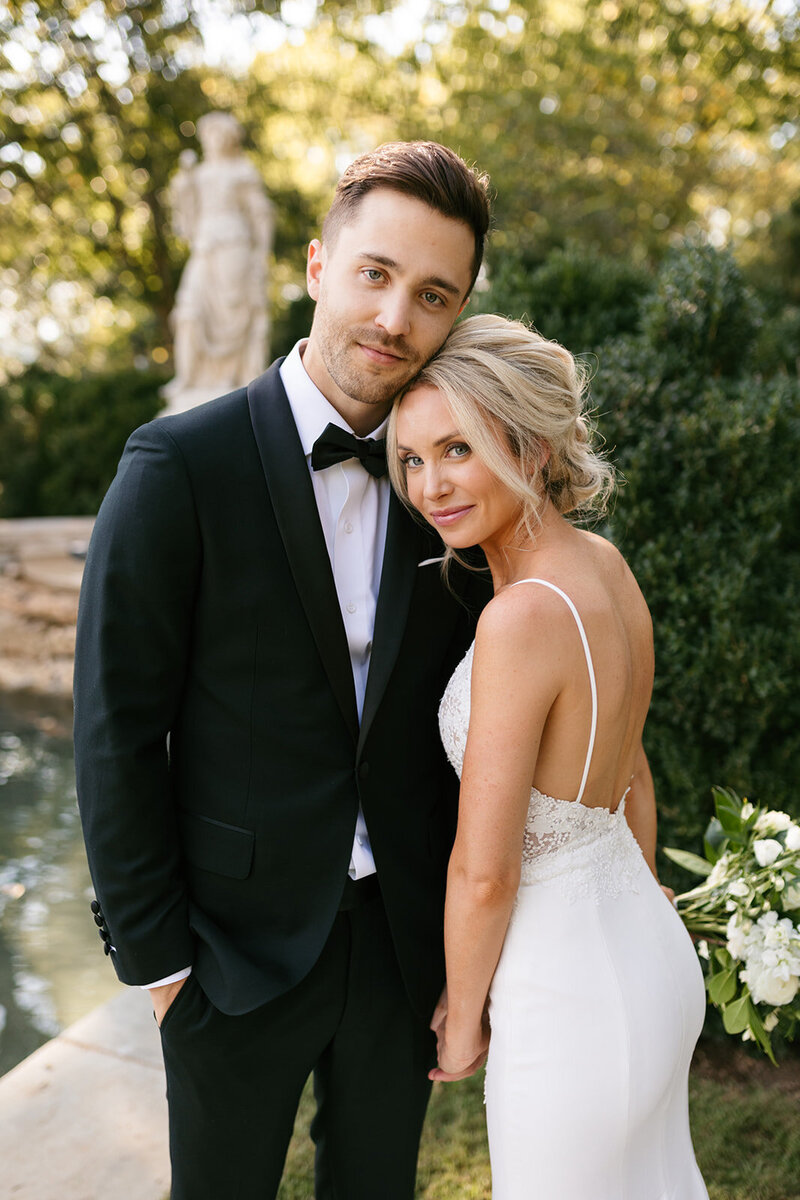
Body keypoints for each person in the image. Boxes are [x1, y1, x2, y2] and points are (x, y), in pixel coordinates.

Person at [73, 142, 491, 1200]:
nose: (396, 318)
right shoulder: (176, 466)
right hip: (227, 961)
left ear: (456, 317)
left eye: (431, 295)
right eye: (374, 274)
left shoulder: (449, 484)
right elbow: (114, 732)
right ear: (315, 267)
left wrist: (453, 960)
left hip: (398, 957)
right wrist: (162, 966)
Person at [389, 313, 709, 1199]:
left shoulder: (520, 617)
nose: (430, 486)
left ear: (530, 448)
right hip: (646, 951)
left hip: (568, 993)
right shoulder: (604, 565)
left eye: (457, 449)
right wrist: (636, 901)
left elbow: (482, 872)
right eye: (412, 459)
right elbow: (633, 777)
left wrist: (459, 1022)